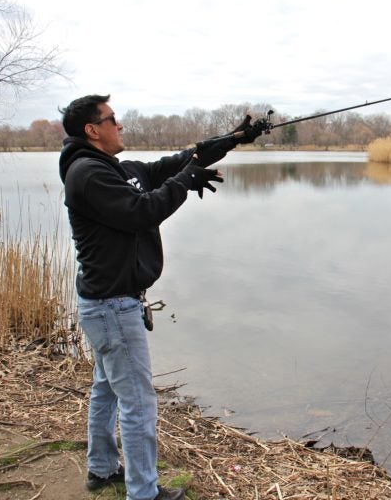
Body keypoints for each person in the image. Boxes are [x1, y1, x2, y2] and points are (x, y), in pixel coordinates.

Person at [58, 94, 264, 500]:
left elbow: (176, 162)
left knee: (107, 388)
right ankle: (143, 493)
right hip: (112, 307)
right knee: (137, 403)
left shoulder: (115, 169)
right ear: (92, 130)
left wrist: (233, 139)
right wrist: (184, 181)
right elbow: (142, 211)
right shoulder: (89, 175)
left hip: (108, 305)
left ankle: (101, 470)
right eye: (113, 120)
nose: (121, 126)